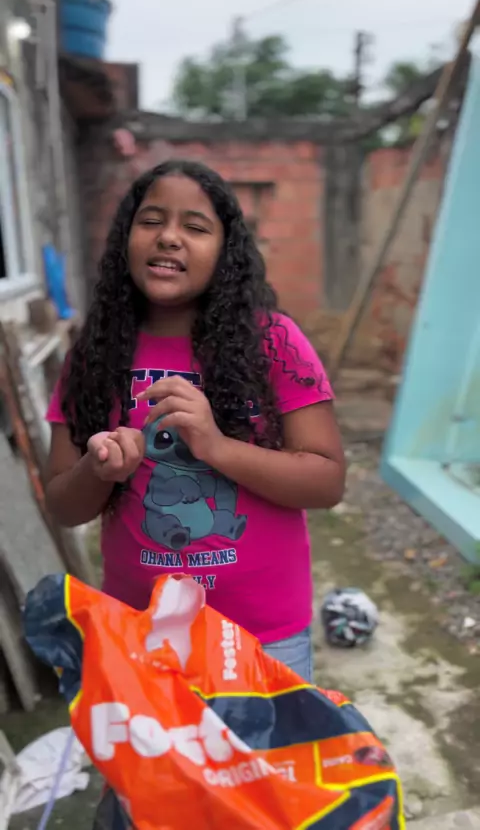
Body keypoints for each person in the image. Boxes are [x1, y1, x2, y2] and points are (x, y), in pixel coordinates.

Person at [45, 159, 345, 683]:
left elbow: (327, 482)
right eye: (151, 221)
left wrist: (216, 446)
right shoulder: (93, 354)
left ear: (226, 251)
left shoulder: (273, 342)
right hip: (141, 631)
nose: (169, 237)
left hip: (263, 636)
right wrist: (99, 470)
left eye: (196, 227)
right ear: (126, 240)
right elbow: (63, 507)